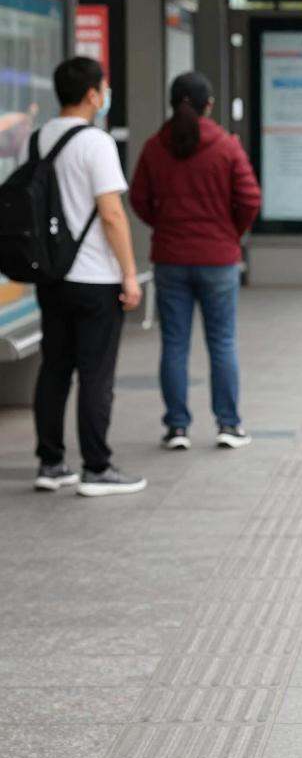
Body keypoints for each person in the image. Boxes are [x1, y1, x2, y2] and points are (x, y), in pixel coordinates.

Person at [19, 57, 144, 496]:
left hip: (52, 276)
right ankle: (97, 467)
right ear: (92, 94)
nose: (105, 94)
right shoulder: (97, 143)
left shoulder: (38, 140)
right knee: (95, 374)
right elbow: (112, 214)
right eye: (103, 88)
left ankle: (51, 463)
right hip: (95, 277)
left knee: (55, 368)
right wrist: (130, 275)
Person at [129, 71, 261, 451]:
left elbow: (139, 199)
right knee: (222, 341)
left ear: (173, 103)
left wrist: (164, 225)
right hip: (218, 259)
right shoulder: (226, 146)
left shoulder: (155, 147)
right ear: (209, 105)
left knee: (174, 343)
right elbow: (250, 199)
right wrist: (230, 233)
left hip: (170, 258)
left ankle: (177, 428)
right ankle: (228, 425)